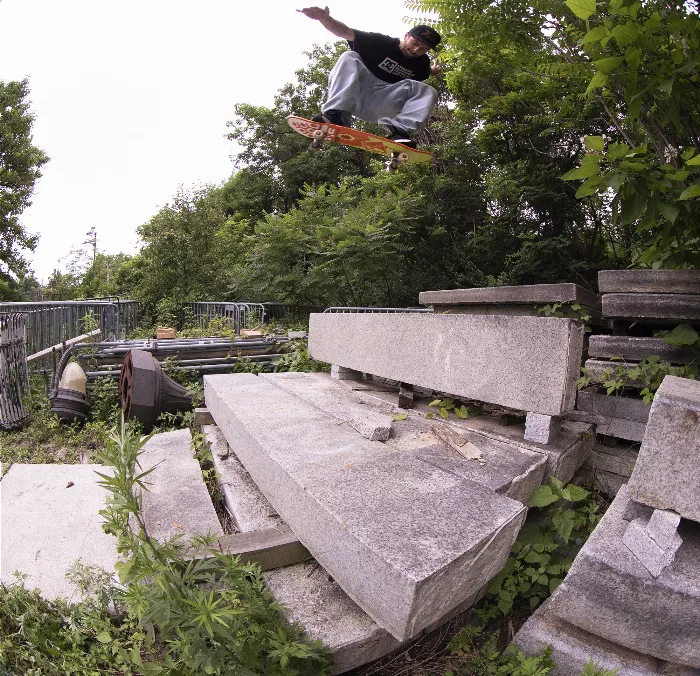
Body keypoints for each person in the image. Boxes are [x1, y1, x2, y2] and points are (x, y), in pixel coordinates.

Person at [298, 6, 441, 148]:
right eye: (415, 43)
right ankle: (336, 116)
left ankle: (400, 133)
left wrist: (433, 70)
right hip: (354, 95)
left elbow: (427, 72)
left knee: (429, 91)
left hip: (383, 102)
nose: (416, 50)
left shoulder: (422, 64)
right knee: (349, 57)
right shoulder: (381, 43)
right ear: (406, 36)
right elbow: (346, 32)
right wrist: (325, 19)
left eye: (423, 49)